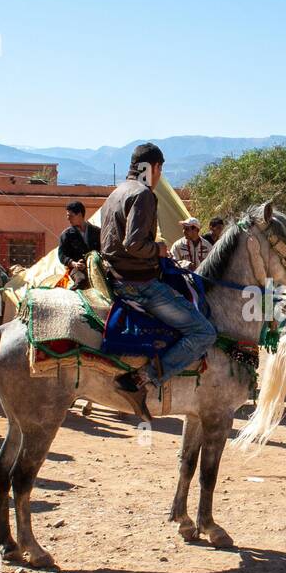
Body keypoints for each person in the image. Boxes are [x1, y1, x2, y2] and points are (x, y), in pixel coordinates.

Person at [100, 143, 216, 413]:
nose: (160, 175)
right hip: (138, 285)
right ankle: (141, 379)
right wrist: (160, 249)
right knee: (203, 331)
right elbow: (133, 244)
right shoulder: (143, 195)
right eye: (160, 169)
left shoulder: (115, 193)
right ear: (153, 168)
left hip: (115, 276)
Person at [58, 200, 100, 283]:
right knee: (81, 280)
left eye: (70, 216)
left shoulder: (97, 232)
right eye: (67, 216)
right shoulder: (66, 235)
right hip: (76, 269)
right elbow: (62, 255)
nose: (68, 219)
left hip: (96, 267)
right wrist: (74, 263)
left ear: (80, 215)